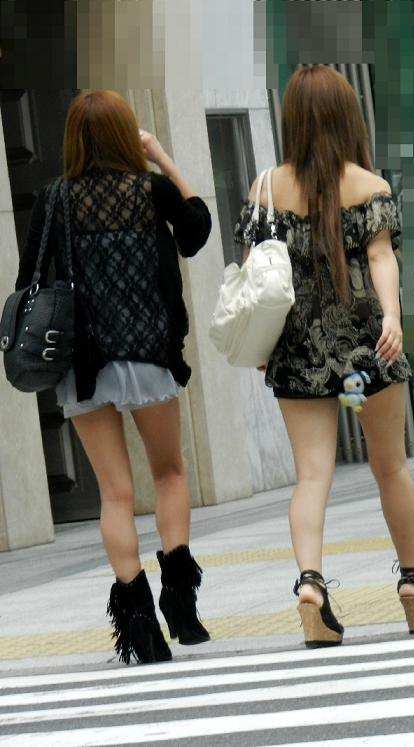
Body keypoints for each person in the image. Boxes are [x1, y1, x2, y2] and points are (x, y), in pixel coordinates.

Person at [233, 65, 414, 647]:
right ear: (348, 117)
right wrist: (391, 316)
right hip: (365, 356)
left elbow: (253, 273)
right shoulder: (369, 185)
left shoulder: (266, 189)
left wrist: (261, 341)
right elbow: (380, 259)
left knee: (312, 473)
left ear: (292, 119)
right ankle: (412, 585)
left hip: (298, 354)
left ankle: (311, 586)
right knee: (389, 466)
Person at [15, 90, 212, 664]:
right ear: (128, 136)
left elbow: (29, 281)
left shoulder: (54, 199)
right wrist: (161, 157)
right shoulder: (150, 191)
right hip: (149, 355)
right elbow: (196, 229)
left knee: (116, 494)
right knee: (170, 473)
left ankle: (141, 627)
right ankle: (180, 601)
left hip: (84, 366)